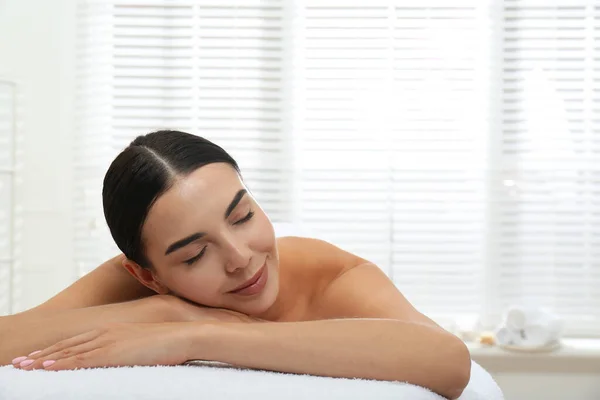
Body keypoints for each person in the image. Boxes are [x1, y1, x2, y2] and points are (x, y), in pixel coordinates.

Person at [1, 130, 471, 399]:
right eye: (195, 254)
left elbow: (448, 360)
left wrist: (195, 333)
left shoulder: (332, 276)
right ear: (148, 276)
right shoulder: (138, 284)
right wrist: (167, 312)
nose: (241, 258)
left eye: (242, 216)